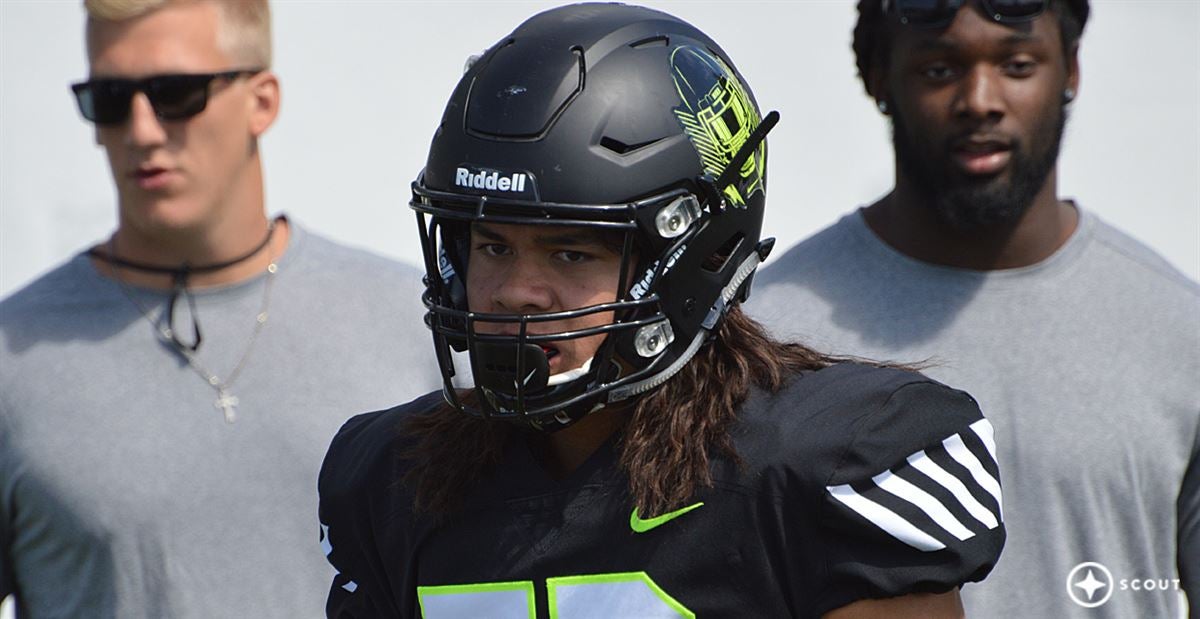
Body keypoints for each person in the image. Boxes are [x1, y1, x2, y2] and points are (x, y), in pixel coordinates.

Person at [317, 4, 1006, 617]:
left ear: (694, 251)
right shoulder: (391, 478)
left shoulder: (820, 466)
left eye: (570, 253)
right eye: (492, 244)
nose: (514, 290)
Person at [750, 0, 1199, 617]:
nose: (980, 99)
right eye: (939, 69)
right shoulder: (766, 336)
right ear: (879, 77)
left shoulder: (1181, 331)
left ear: (1070, 69)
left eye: (1017, 64)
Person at [0, 0, 440, 616]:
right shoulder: (14, 355)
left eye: (175, 92)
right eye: (109, 98)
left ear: (261, 100)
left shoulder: (421, 323)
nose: (142, 129)